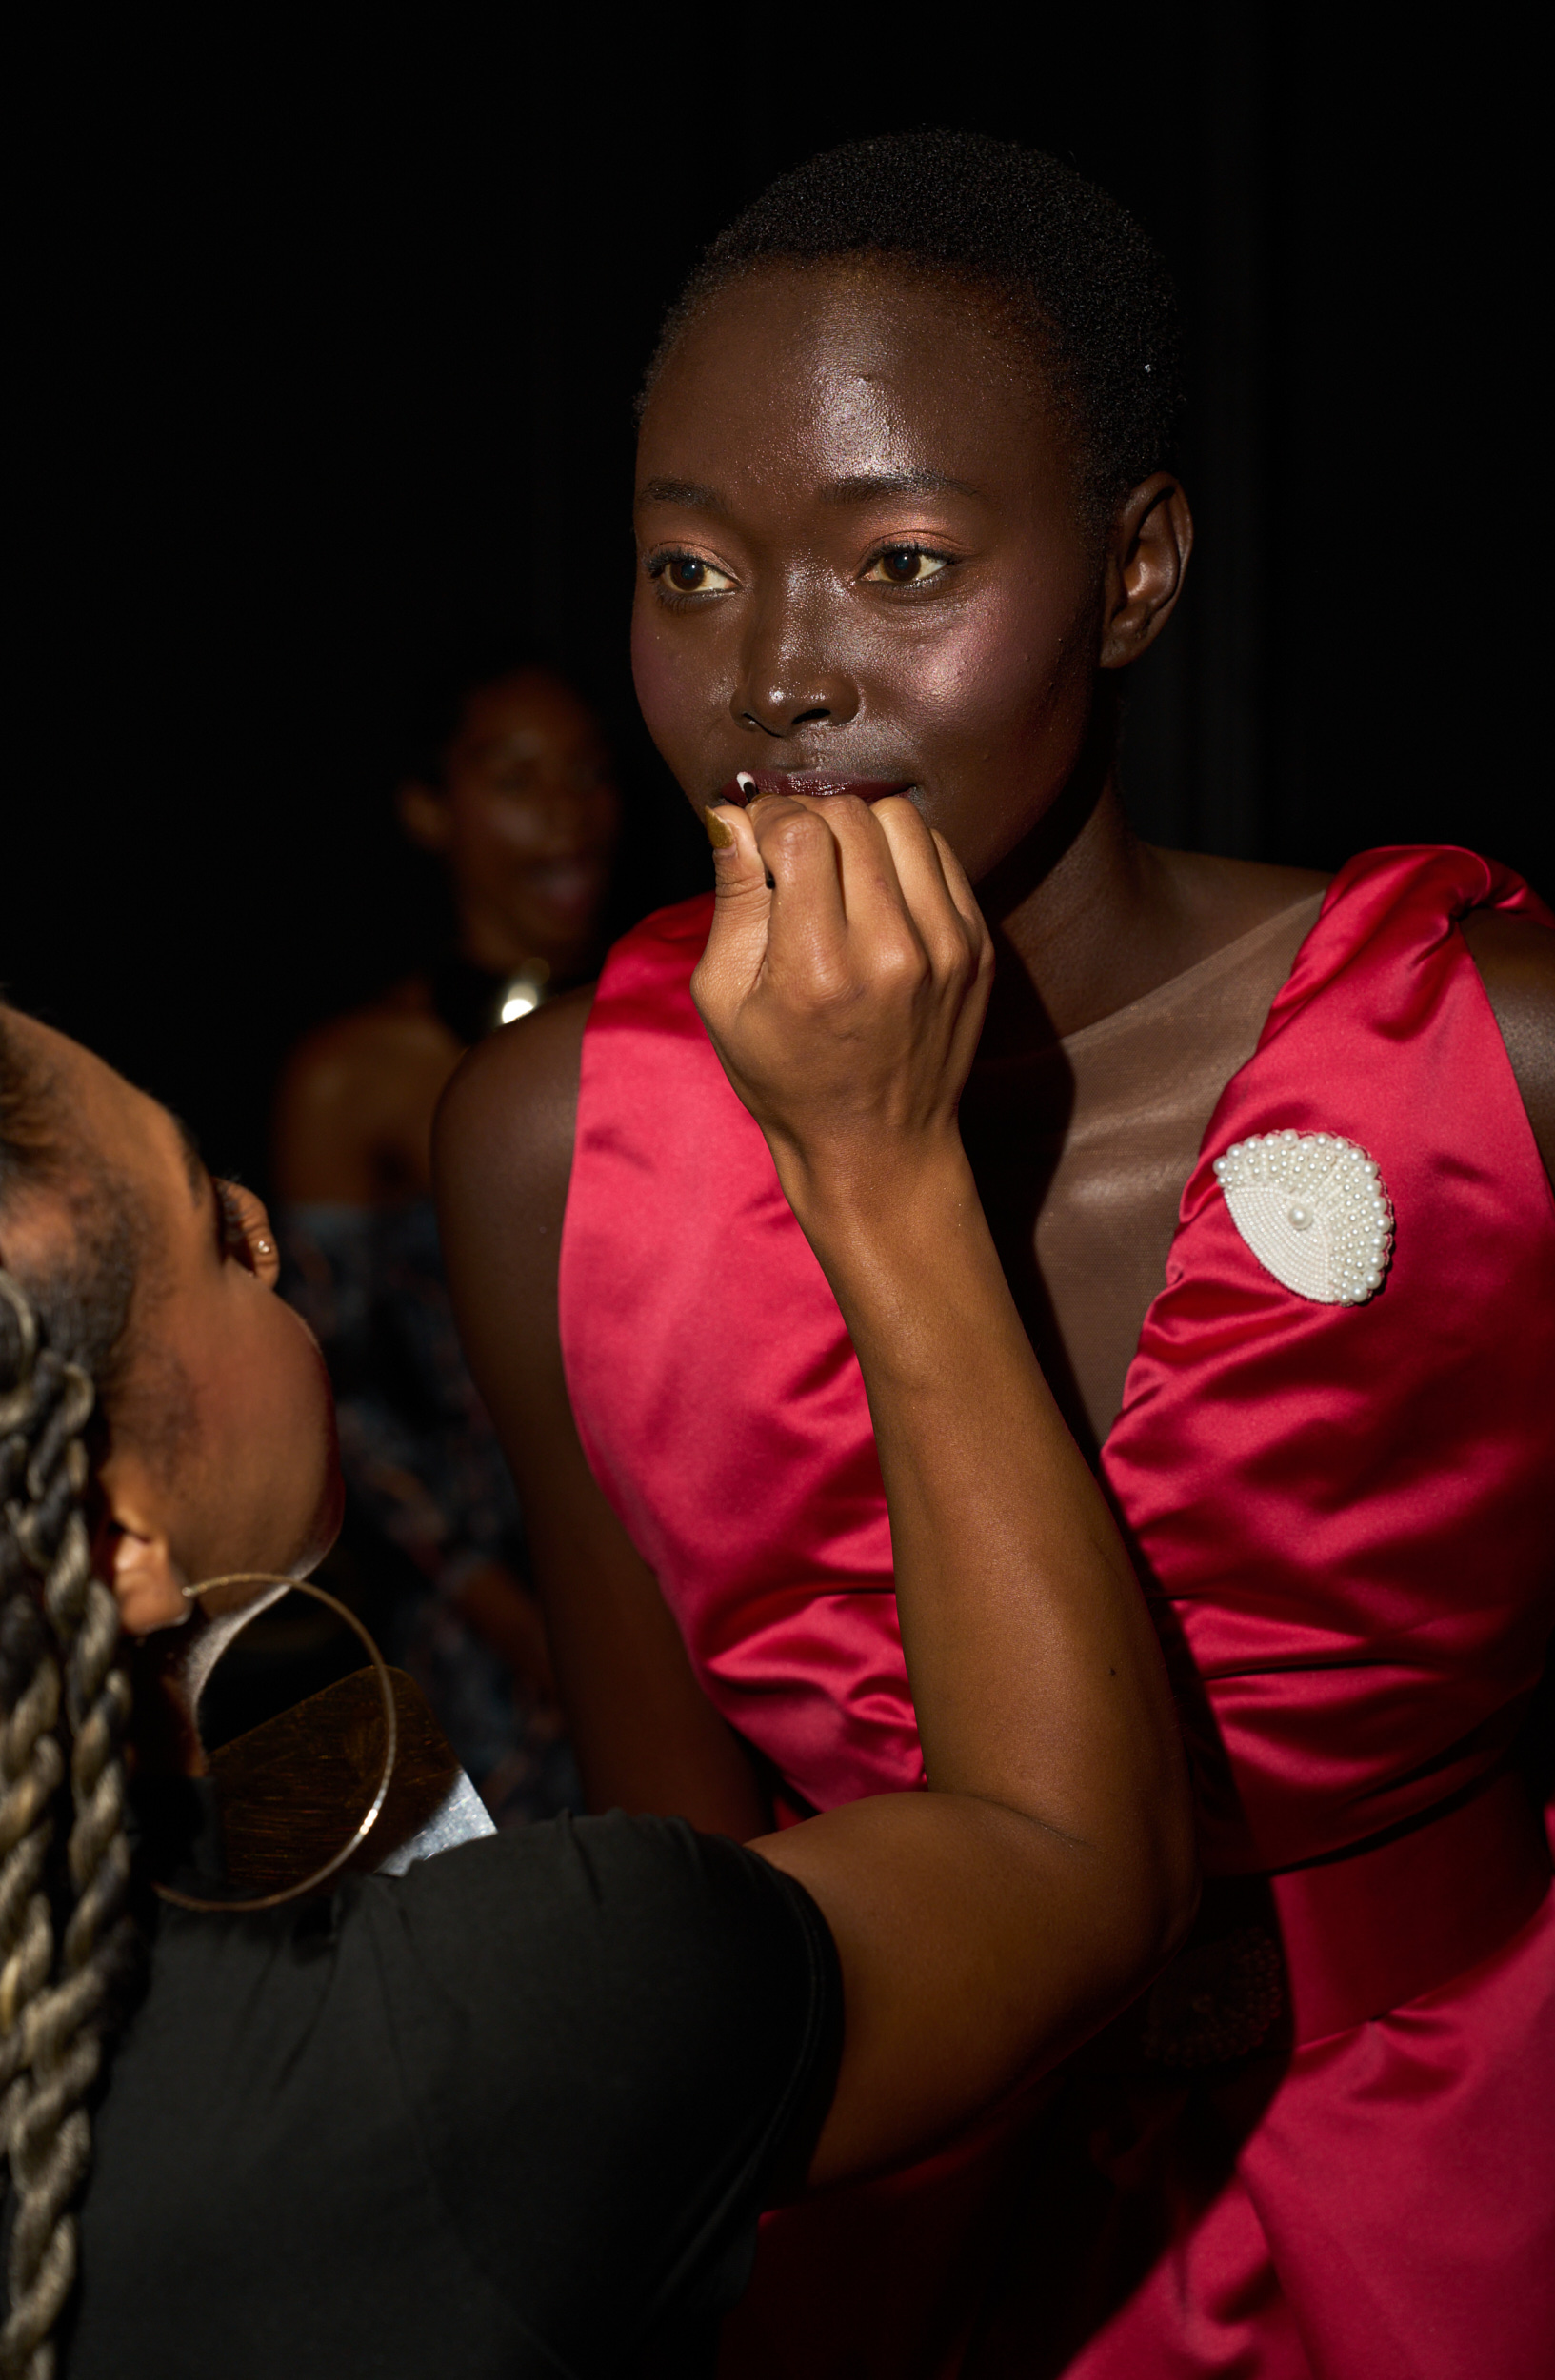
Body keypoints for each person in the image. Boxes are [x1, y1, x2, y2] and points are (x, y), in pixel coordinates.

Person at [434, 132, 1555, 2380]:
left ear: (1137, 570)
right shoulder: (564, 1139)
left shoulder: (1507, 1064)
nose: (774, 671)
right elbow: (680, 1886)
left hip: (1455, 2200)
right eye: (688, 572)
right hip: (886, 2240)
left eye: (900, 561)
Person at [0, 809, 1193, 2380]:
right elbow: (1069, 1863)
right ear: (107, 1541)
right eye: (212, 1232)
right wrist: (882, 1165)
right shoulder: (474, 2041)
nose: (269, 1230)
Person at [274, 657, 621, 1821]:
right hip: (473, 1618)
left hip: (673, 1567)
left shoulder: (680, 1023)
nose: (565, 811)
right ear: (431, 810)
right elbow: (342, 1392)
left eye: (585, 774)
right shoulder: (353, 1080)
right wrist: (506, 1608)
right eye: (517, 777)